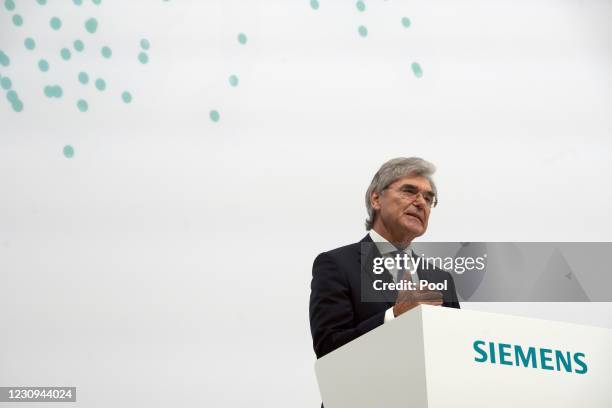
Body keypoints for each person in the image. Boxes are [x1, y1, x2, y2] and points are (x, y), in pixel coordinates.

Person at [309, 157, 460, 360]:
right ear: (376, 199)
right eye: (409, 191)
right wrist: (394, 316)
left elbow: (458, 350)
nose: (420, 203)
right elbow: (328, 348)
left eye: (428, 198)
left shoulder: (441, 278)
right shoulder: (337, 265)